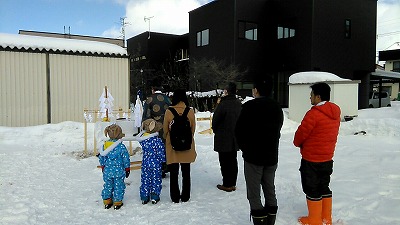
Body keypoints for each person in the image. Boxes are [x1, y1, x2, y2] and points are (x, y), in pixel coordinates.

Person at [234, 76, 283, 225]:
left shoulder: (249, 107)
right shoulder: (277, 107)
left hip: (253, 157)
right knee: (269, 188)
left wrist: (245, 149)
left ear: (256, 91)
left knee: (254, 193)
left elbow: (239, 131)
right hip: (271, 155)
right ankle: (271, 220)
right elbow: (278, 129)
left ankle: (260, 221)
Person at [293, 82, 341, 225]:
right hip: (327, 158)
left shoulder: (313, 114)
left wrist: (298, 143)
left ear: (318, 97)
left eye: (311, 95)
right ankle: (326, 217)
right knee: (324, 186)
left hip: (311, 159)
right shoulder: (335, 112)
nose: (310, 98)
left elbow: (301, 135)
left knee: (312, 188)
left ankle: (314, 220)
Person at [163, 89, 197, 203]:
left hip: (173, 147)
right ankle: (186, 196)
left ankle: (175, 197)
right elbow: (193, 129)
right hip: (187, 146)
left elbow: (165, 130)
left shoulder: (169, 111)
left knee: (174, 173)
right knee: (186, 173)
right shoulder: (190, 111)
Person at [212, 82, 242, 192]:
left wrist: (216, 131)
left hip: (223, 137)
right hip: (235, 137)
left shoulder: (223, 104)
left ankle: (227, 184)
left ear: (226, 91)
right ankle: (232, 183)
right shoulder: (238, 104)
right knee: (233, 160)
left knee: (224, 161)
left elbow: (215, 121)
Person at [142, 80, 172, 177]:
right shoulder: (167, 99)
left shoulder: (149, 99)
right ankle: (167, 166)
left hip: (155, 127)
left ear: (153, 90)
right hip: (167, 126)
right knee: (166, 145)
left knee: (156, 148)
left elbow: (146, 116)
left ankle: (158, 168)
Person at [98, 124, 131, 210]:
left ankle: (107, 201)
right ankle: (117, 202)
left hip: (108, 171)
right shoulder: (121, 147)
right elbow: (125, 158)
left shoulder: (105, 146)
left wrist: (103, 167)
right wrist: (127, 168)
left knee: (108, 185)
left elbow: (101, 157)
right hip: (119, 172)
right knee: (118, 186)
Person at [136, 118, 166, 205]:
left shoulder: (144, 141)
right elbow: (161, 152)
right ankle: (155, 196)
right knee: (156, 179)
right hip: (156, 163)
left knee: (145, 179)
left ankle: (144, 197)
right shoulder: (157, 141)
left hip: (145, 163)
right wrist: (163, 160)